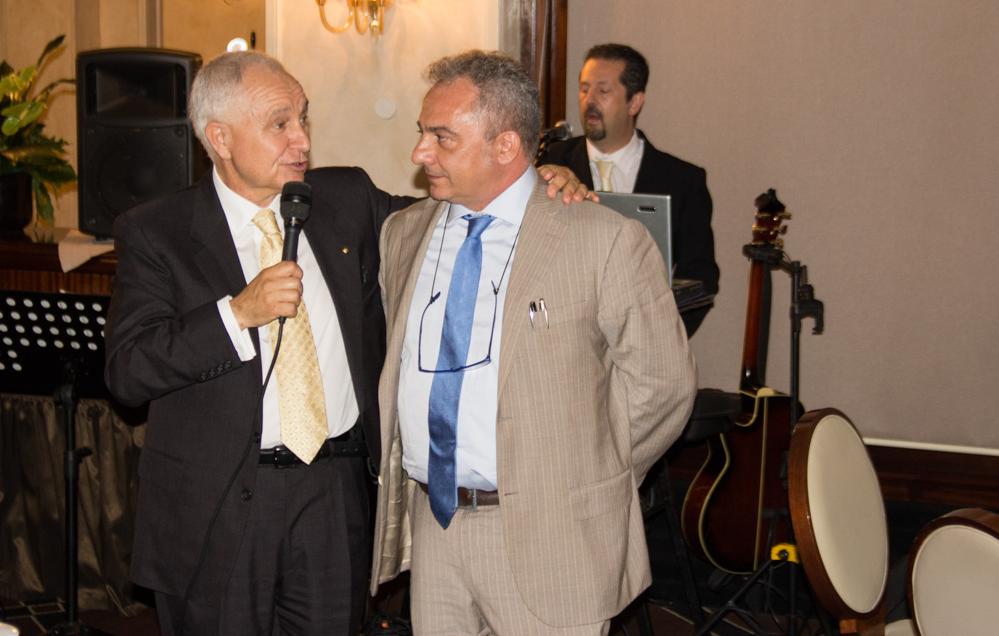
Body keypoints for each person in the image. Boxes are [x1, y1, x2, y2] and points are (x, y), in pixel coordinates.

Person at [103, 50, 589, 636]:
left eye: (303, 118)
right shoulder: (158, 231)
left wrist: (533, 182)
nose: (303, 140)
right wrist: (237, 314)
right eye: (280, 124)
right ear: (220, 138)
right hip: (218, 503)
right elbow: (128, 371)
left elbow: (454, 214)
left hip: (333, 491)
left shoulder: (344, 199)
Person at [370, 50, 696, 635]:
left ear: (505, 147)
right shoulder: (404, 233)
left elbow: (663, 386)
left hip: (553, 537)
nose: (420, 153)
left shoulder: (602, 239)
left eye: (442, 137)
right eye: (422, 133)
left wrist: (586, 475)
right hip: (435, 529)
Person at [538, 43, 719, 337]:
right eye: (584, 89)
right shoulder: (548, 165)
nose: (589, 101)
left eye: (603, 91)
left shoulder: (682, 181)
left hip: (646, 342)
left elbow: (701, 278)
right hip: (562, 342)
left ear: (634, 102)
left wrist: (661, 340)